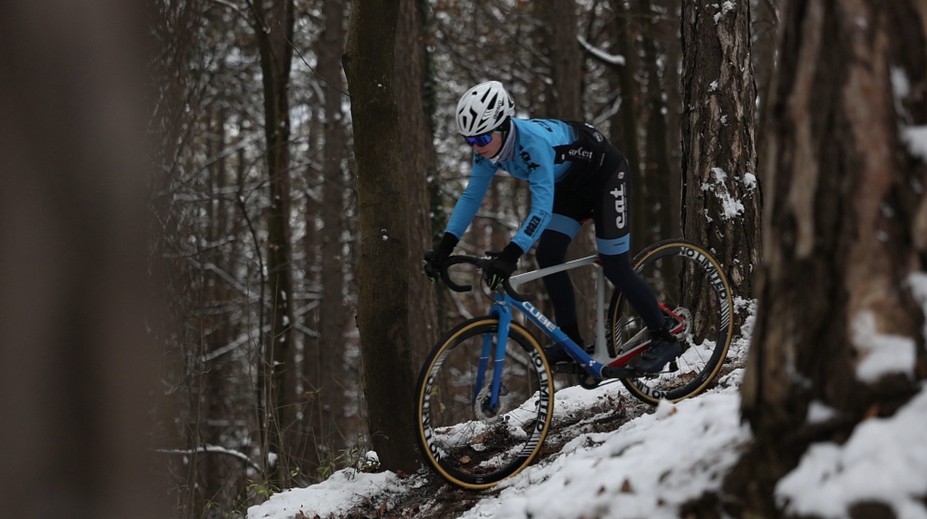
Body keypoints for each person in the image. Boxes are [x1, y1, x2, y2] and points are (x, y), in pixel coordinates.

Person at [423, 80, 679, 373]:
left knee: (615, 265)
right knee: (549, 254)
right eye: (469, 140)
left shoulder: (533, 143)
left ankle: (663, 336)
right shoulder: (487, 151)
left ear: (503, 126)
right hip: (570, 187)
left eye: (481, 138)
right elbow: (471, 197)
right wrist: (445, 247)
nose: (476, 147)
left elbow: (541, 210)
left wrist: (511, 254)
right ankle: (571, 341)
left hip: (606, 178)